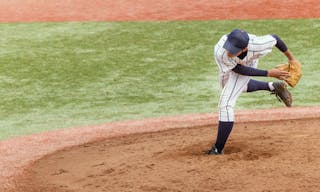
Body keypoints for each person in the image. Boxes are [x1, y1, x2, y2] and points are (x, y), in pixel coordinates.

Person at [207, 29, 295, 155]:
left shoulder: (258, 44)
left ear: (244, 49)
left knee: (225, 104)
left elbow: (275, 38)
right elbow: (238, 69)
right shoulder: (221, 51)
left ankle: (218, 149)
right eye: (229, 47)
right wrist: (268, 73)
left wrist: (292, 59)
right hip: (233, 66)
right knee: (228, 87)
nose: (229, 51)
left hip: (250, 62)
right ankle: (273, 86)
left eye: (234, 49)